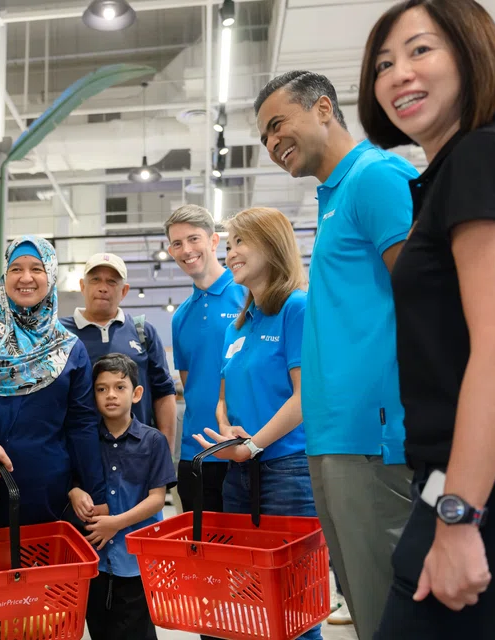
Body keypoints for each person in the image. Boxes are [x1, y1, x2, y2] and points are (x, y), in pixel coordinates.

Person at [359, 1, 495, 636]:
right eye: (384, 63)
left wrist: (460, 516)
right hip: (476, 482)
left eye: (421, 51)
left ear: (472, 55)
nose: (398, 75)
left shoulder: (482, 158)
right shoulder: (449, 173)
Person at [254, 70, 418, 640]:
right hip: (331, 440)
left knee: (392, 617)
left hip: (373, 439)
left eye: (278, 126)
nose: (273, 145)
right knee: (368, 611)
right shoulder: (333, 198)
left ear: (323, 108)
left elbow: (430, 302)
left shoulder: (377, 177)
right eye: (264, 139)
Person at [193, 207, 319, 640]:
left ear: (272, 244)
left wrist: (253, 445)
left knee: (296, 604)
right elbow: (223, 400)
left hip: (289, 473)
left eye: (239, 243)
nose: (230, 254)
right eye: (228, 246)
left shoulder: (298, 309)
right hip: (239, 472)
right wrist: (229, 432)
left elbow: (307, 399)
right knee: (250, 600)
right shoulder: (240, 323)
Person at [0, 235, 108, 528]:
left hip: (49, 493)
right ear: (5, 275)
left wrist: (96, 492)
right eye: (16, 269)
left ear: (50, 275)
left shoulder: (68, 347)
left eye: (36, 269)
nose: (26, 278)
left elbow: (82, 424)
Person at [69, 353, 176, 640]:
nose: (110, 395)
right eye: (101, 389)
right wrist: (75, 490)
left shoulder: (153, 441)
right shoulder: (85, 440)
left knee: (137, 632)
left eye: (119, 387)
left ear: (137, 393)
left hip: (137, 563)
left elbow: (157, 498)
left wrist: (116, 522)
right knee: (100, 629)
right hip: (96, 561)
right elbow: (71, 480)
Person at [166, 205, 246, 514]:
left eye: (193, 239)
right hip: (195, 456)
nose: (186, 250)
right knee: (201, 557)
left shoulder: (247, 294)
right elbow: (191, 384)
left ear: (214, 242)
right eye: (177, 243)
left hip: (242, 449)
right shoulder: (181, 317)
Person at [60, 252, 177, 452]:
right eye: (95, 279)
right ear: (82, 286)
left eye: (112, 282)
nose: (103, 288)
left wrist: (164, 455)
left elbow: (164, 393)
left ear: (124, 290)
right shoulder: (59, 333)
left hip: (137, 454)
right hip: (78, 454)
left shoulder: (143, 332)